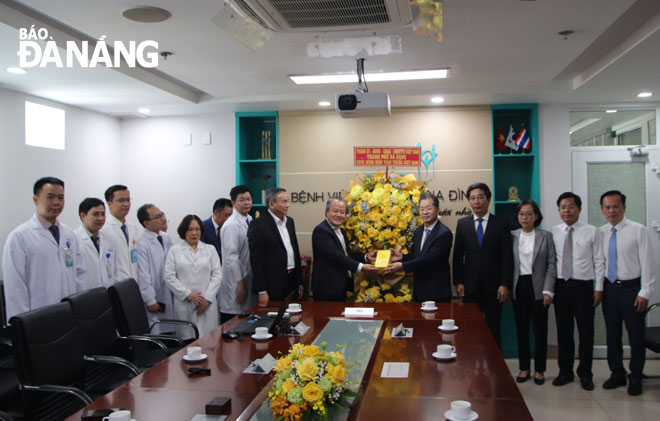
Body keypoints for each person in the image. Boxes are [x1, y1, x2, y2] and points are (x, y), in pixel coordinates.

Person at [3, 177, 86, 318]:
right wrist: (22, 324)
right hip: (37, 317)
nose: (56, 202)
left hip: (69, 314)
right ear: (36, 200)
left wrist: (79, 308)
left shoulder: (69, 235)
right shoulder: (20, 237)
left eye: (61, 198)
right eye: (50, 197)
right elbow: (15, 288)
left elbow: (80, 275)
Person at [598, 190, 655, 396]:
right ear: (602, 210)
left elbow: (648, 263)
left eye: (615, 206)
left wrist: (645, 291)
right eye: (607, 207)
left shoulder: (638, 230)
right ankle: (617, 373)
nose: (611, 210)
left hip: (633, 289)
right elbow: (600, 264)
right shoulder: (601, 232)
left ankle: (636, 375)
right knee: (612, 334)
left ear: (624, 207)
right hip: (610, 289)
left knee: (636, 335)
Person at [551, 192, 604, 391]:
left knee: (586, 333)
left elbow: (599, 261)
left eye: (571, 206)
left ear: (579, 209)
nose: (567, 210)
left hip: (583, 288)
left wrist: (598, 288)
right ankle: (565, 371)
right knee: (564, 333)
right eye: (563, 207)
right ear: (558, 210)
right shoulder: (553, 232)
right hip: (561, 287)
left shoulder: (592, 231)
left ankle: (585, 373)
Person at [453, 182, 513, 347]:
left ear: (488, 199)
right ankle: (473, 367)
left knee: (493, 328)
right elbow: (457, 256)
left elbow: (507, 257)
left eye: (480, 197)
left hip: (495, 287)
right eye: (472, 198)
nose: (476, 202)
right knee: (471, 328)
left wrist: (504, 284)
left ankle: (494, 370)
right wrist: (459, 281)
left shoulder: (501, 223)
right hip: (470, 286)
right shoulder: (463, 224)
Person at [511, 199, 556, 385]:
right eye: (522, 214)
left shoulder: (546, 236)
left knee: (540, 330)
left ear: (536, 216)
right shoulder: (512, 235)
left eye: (529, 214)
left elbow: (551, 265)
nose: (525, 217)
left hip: (538, 287)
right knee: (521, 330)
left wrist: (548, 291)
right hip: (518, 287)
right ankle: (523, 368)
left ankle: (539, 370)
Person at [386, 192, 453, 302]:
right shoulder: (418, 231)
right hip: (419, 290)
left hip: (437, 291)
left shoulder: (444, 233)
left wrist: (402, 265)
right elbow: (417, 257)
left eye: (428, 208)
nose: (425, 212)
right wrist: (401, 257)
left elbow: (430, 259)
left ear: (438, 210)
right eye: (422, 209)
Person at [164, 215, 222, 338]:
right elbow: (169, 276)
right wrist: (188, 294)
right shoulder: (175, 250)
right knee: (188, 342)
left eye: (197, 229)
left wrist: (207, 298)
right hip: (185, 303)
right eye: (190, 229)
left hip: (207, 304)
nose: (194, 233)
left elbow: (217, 275)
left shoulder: (210, 249)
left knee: (209, 342)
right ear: (183, 231)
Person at [311, 198, 377, 301]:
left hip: (341, 285)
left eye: (342, 212)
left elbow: (346, 255)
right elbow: (336, 255)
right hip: (326, 287)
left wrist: (366, 257)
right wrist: (361, 267)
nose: (339, 215)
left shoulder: (341, 231)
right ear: (326, 212)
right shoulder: (321, 230)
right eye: (335, 211)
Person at [248, 187, 303, 306]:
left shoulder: (290, 222)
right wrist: (261, 290)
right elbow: (256, 261)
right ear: (271, 204)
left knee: (292, 318)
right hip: (272, 284)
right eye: (284, 202)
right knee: (272, 318)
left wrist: (299, 281)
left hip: (291, 280)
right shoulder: (258, 225)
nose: (287, 205)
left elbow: (294, 251)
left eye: (288, 201)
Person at [218, 186, 256, 323]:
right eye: (242, 200)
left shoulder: (250, 220)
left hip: (248, 277)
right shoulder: (231, 225)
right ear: (233, 203)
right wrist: (240, 282)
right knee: (235, 321)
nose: (246, 203)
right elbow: (231, 257)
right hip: (236, 281)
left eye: (249, 199)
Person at [137, 203, 175, 333]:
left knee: (172, 327)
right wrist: (150, 299)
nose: (162, 219)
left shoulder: (166, 237)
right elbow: (143, 274)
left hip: (170, 289)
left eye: (162, 214)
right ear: (146, 223)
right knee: (158, 329)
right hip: (155, 294)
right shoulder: (142, 243)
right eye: (158, 217)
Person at [75, 197, 119, 290]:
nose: (100, 218)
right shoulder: (74, 239)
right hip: (85, 295)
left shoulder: (108, 238)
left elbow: (115, 270)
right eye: (95, 214)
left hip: (108, 294)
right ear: (83, 216)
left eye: (103, 214)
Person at [101, 185, 140, 281]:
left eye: (128, 200)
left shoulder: (133, 228)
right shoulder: (103, 229)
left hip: (134, 284)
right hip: (116, 286)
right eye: (121, 200)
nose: (126, 204)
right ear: (109, 203)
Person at [201, 198, 233, 264]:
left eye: (231, 216)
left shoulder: (231, 228)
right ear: (216, 213)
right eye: (226, 215)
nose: (229, 219)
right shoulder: (201, 227)